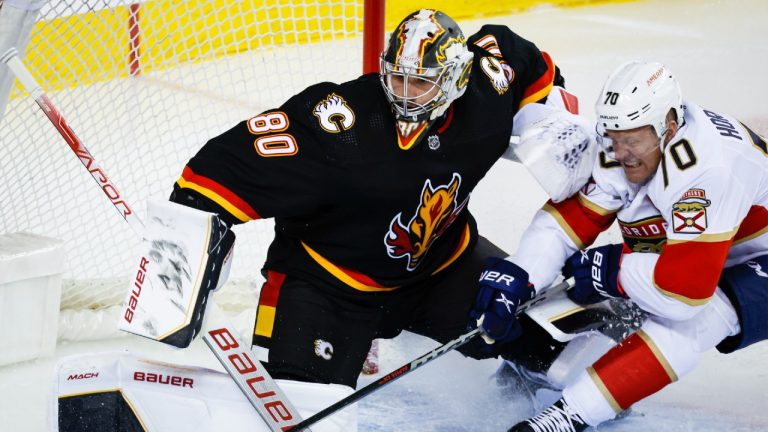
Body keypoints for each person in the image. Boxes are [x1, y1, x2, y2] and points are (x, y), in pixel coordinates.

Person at [158, 8, 595, 430]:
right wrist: (181, 258)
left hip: (441, 268)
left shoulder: (486, 89)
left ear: (457, 78)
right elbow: (215, 170)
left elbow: (523, 58)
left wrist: (555, 115)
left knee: (559, 339)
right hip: (327, 286)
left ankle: (525, 379)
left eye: (420, 83)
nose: (404, 94)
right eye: (397, 77)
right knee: (296, 412)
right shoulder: (339, 124)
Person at [470, 60, 768, 431]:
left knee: (692, 323)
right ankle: (548, 370)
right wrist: (522, 273)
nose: (620, 152)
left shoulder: (708, 170)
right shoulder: (628, 139)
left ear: (669, 126)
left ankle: (570, 415)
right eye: (614, 137)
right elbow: (572, 221)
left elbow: (683, 293)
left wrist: (615, 270)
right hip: (701, 252)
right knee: (590, 290)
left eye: (632, 140)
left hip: (754, 261)